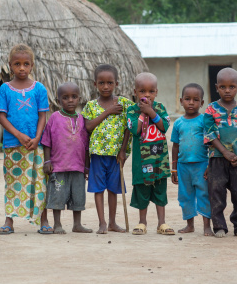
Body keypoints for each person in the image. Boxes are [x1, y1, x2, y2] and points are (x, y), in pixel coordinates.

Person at [0, 44, 51, 235]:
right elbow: (1, 116)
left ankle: (43, 219)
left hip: (36, 145)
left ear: (32, 66)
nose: (22, 68)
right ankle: (9, 220)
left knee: (39, 181)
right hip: (13, 144)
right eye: (17, 64)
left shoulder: (39, 89)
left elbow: (43, 115)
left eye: (26, 64)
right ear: (10, 66)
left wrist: (37, 138)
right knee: (13, 181)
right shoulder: (4, 89)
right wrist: (19, 135)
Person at [81, 64, 132, 234]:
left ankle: (112, 222)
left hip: (116, 155)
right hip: (97, 154)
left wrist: (123, 150)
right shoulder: (90, 106)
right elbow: (88, 127)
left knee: (113, 189)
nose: (105, 87)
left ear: (116, 83)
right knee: (98, 188)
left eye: (110, 83)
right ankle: (102, 222)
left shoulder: (124, 103)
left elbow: (128, 127)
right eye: (101, 83)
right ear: (95, 84)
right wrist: (108, 111)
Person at [204, 68, 237, 239]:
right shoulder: (211, 109)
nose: (227, 90)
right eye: (223, 87)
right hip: (217, 159)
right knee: (217, 193)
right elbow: (209, 133)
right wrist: (223, 152)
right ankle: (219, 226)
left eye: (232, 87)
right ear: (216, 88)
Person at [127, 72, 174, 236]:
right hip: (141, 160)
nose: (147, 95)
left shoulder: (160, 108)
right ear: (135, 92)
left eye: (151, 91)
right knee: (142, 189)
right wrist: (143, 112)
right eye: (142, 91)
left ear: (156, 92)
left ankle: (162, 223)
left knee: (160, 188)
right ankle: (142, 222)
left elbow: (164, 126)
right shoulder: (132, 110)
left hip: (158, 158)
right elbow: (135, 129)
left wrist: (151, 112)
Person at [42, 82, 92, 234]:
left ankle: (77, 224)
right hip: (58, 166)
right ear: (58, 101)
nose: (70, 100)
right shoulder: (54, 118)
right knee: (58, 196)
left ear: (79, 99)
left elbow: (86, 145)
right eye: (65, 97)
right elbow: (46, 141)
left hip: (78, 166)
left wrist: (87, 166)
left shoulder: (83, 119)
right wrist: (47, 161)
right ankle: (57, 224)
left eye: (74, 97)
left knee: (78, 197)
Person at [171, 83, 213, 236]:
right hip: (183, 167)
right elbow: (175, 146)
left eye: (195, 100)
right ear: (181, 100)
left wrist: (210, 164)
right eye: (187, 99)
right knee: (185, 195)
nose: (191, 103)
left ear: (202, 103)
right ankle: (190, 225)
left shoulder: (204, 121)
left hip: (201, 165)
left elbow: (211, 143)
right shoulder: (178, 123)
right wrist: (174, 168)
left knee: (204, 194)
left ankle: (207, 226)